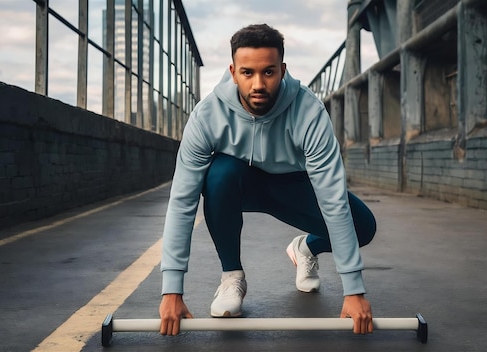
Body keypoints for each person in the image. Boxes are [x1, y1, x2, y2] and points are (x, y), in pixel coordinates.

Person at [159, 23, 377, 336]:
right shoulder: (208, 115)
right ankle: (232, 277)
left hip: (292, 186)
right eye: (248, 73)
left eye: (269, 72)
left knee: (364, 227)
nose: (258, 84)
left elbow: (332, 196)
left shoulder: (308, 111)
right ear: (233, 72)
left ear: (282, 70)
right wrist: (172, 291)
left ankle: (306, 249)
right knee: (219, 173)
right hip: (239, 186)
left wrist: (353, 291)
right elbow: (182, 201)